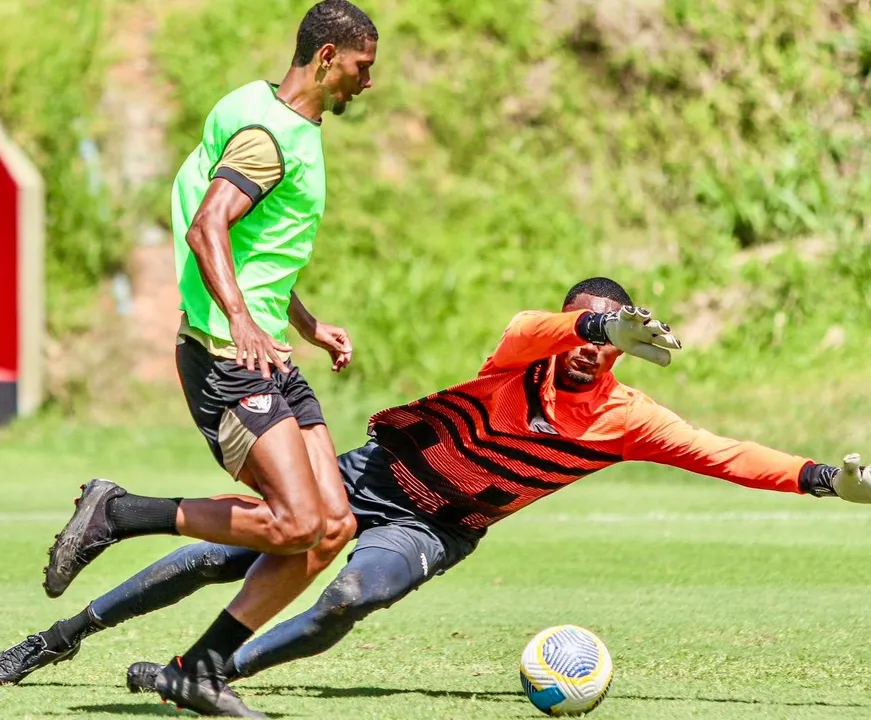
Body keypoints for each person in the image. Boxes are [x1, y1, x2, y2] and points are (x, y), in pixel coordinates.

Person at [6, 277, 869, 716]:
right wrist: (595, 321)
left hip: (436, 523)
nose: (582, 349)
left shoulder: (627, 418)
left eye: (602, 338)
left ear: (622, 359)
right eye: (580, 329)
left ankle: (204, 676)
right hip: (369, 475)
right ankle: (55, 640)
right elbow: (528, 327)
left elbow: (726, 454)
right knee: (216, 557)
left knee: (351, 596)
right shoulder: (522, 355)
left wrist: (827, 479)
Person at [38, 1, 378, 716]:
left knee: (332, 529)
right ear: (325, 58)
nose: (366, 82)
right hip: (226, 357)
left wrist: (307, 323)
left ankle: (201, 669)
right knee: (292, 525)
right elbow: (207, 228)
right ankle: (121, 512)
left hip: (267, 353)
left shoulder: (268, 113)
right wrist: (240, 319)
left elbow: (256, 251)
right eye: (360, 66)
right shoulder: (269, 136)